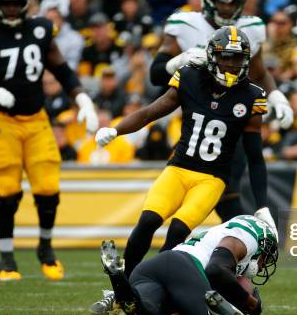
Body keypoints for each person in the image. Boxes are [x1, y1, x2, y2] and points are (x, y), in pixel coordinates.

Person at [95, 26, 273, 278]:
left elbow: (255, 156)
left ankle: (145, 282)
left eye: (237, 58)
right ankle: (123, 284)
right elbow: (149, 112)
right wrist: (116, 130)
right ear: (212, 56)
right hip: (178, 168)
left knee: (178, 231)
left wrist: (262, 204)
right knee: (147, 222)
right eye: (226, 56)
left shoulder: (251, 96)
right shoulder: (190, 77)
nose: (232, 64)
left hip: (211, 179)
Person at [0, 0, 99, 281]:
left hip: (35, 118)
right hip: (0, 120)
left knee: (48, 188)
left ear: (25, 4)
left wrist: (82, 99)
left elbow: (61, 69)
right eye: (5, 3)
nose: (11, 8)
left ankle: (45, 248)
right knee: (7, 192)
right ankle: (6, 258)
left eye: (15, 3)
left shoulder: (42, 28)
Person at [149, 0, 293, 221]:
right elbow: (155, 75)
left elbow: (259, 72)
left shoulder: (251, 27)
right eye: (221, 2)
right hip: (196, 122)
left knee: (224, 189)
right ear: (207, 0)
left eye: (232, 3)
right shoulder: (185, 25)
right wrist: (178, 61)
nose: (226, 8)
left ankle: (236, 244)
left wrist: (278, 96)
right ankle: (244, 243)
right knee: (217, 193)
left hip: (234, 118)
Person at [90, 214, 278, 315]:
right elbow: (216, 270)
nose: (262, 267)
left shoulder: (227, 238)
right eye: (266, 259)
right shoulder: (249, 237)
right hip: (184, 267)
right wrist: (248, 302)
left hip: (154, 268)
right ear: (263, 243)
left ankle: (118, 280)